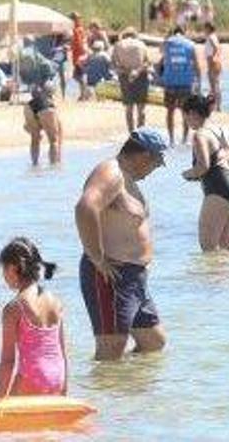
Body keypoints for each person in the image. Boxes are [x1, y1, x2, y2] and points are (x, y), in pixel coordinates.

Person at [75, 128, 168, 361]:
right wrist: (97, 258)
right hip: (111, 275)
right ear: (145, 156)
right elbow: (86, 207)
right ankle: (102, 393)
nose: (153, 171)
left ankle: (127, 394)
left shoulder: (127, 179)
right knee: (111, 349)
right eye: (156, 164)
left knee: (153, 342)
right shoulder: (111, 172)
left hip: (134, 278)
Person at [0, 237, 66, 397]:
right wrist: (64, 392)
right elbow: (62, 351)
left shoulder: (14, 308)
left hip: (32, 378)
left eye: (3, 269)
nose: (3, 275)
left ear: (13, 269)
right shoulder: (55, 301)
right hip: (57, 377)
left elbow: (8, 361)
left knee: (10, 421)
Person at [181, 95, 229, 251]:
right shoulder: (219, 130)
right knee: (225, 247)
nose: (185, 121)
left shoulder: (200, 135)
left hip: (217, 189)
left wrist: (188, 174)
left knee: (208, 248)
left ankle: (209, 276)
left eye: (185, 116)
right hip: (226, 182)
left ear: (193, 113)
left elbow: (203, 166)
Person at [19, 46, 62, 166]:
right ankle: (54, 167)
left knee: (35, 138)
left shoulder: (26, 74)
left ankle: (34, 165)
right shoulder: (47, 71)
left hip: (30, 105)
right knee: (53, 140)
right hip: (45, 104)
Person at [160, 26, 201, 147]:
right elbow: (197, 65)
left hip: (170, 82)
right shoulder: (190, 44)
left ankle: (171, 139)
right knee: (186, 112)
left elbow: (162, 57)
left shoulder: (167, 43)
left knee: (170, 111)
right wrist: (198, 82)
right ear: (184, 33)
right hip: (186, 83)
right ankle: (184, 139)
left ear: (173, 33)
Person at [112, 28, 151, 133]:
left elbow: (114, 64)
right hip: (141, 76)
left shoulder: (118, 45)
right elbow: (147, 62)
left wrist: (127, 72)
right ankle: (141, 132)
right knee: (141, 109)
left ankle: (131, 133)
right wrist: (137, 71)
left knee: (129, 108)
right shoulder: (141, 44)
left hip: (125, 77)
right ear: (135, 35)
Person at [69, 12, 88, 101]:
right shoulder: (80, 29)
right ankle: (83, 94)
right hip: (79, 55)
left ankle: (84, 94)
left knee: (79, 75)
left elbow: (79, 43)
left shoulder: (76, 30)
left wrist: (71, 47)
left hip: (78, 56)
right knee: (78, 75)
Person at [204, 22, 222, 112]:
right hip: (214, 63)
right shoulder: (213, 36)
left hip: (212, 63)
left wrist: (214, 58)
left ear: (208, 28)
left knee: (214, 85)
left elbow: (217, 48)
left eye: (205, 28)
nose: (204, 30)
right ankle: (216, 106)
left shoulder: (211, 37)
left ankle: (216, 107)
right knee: (215, 85)